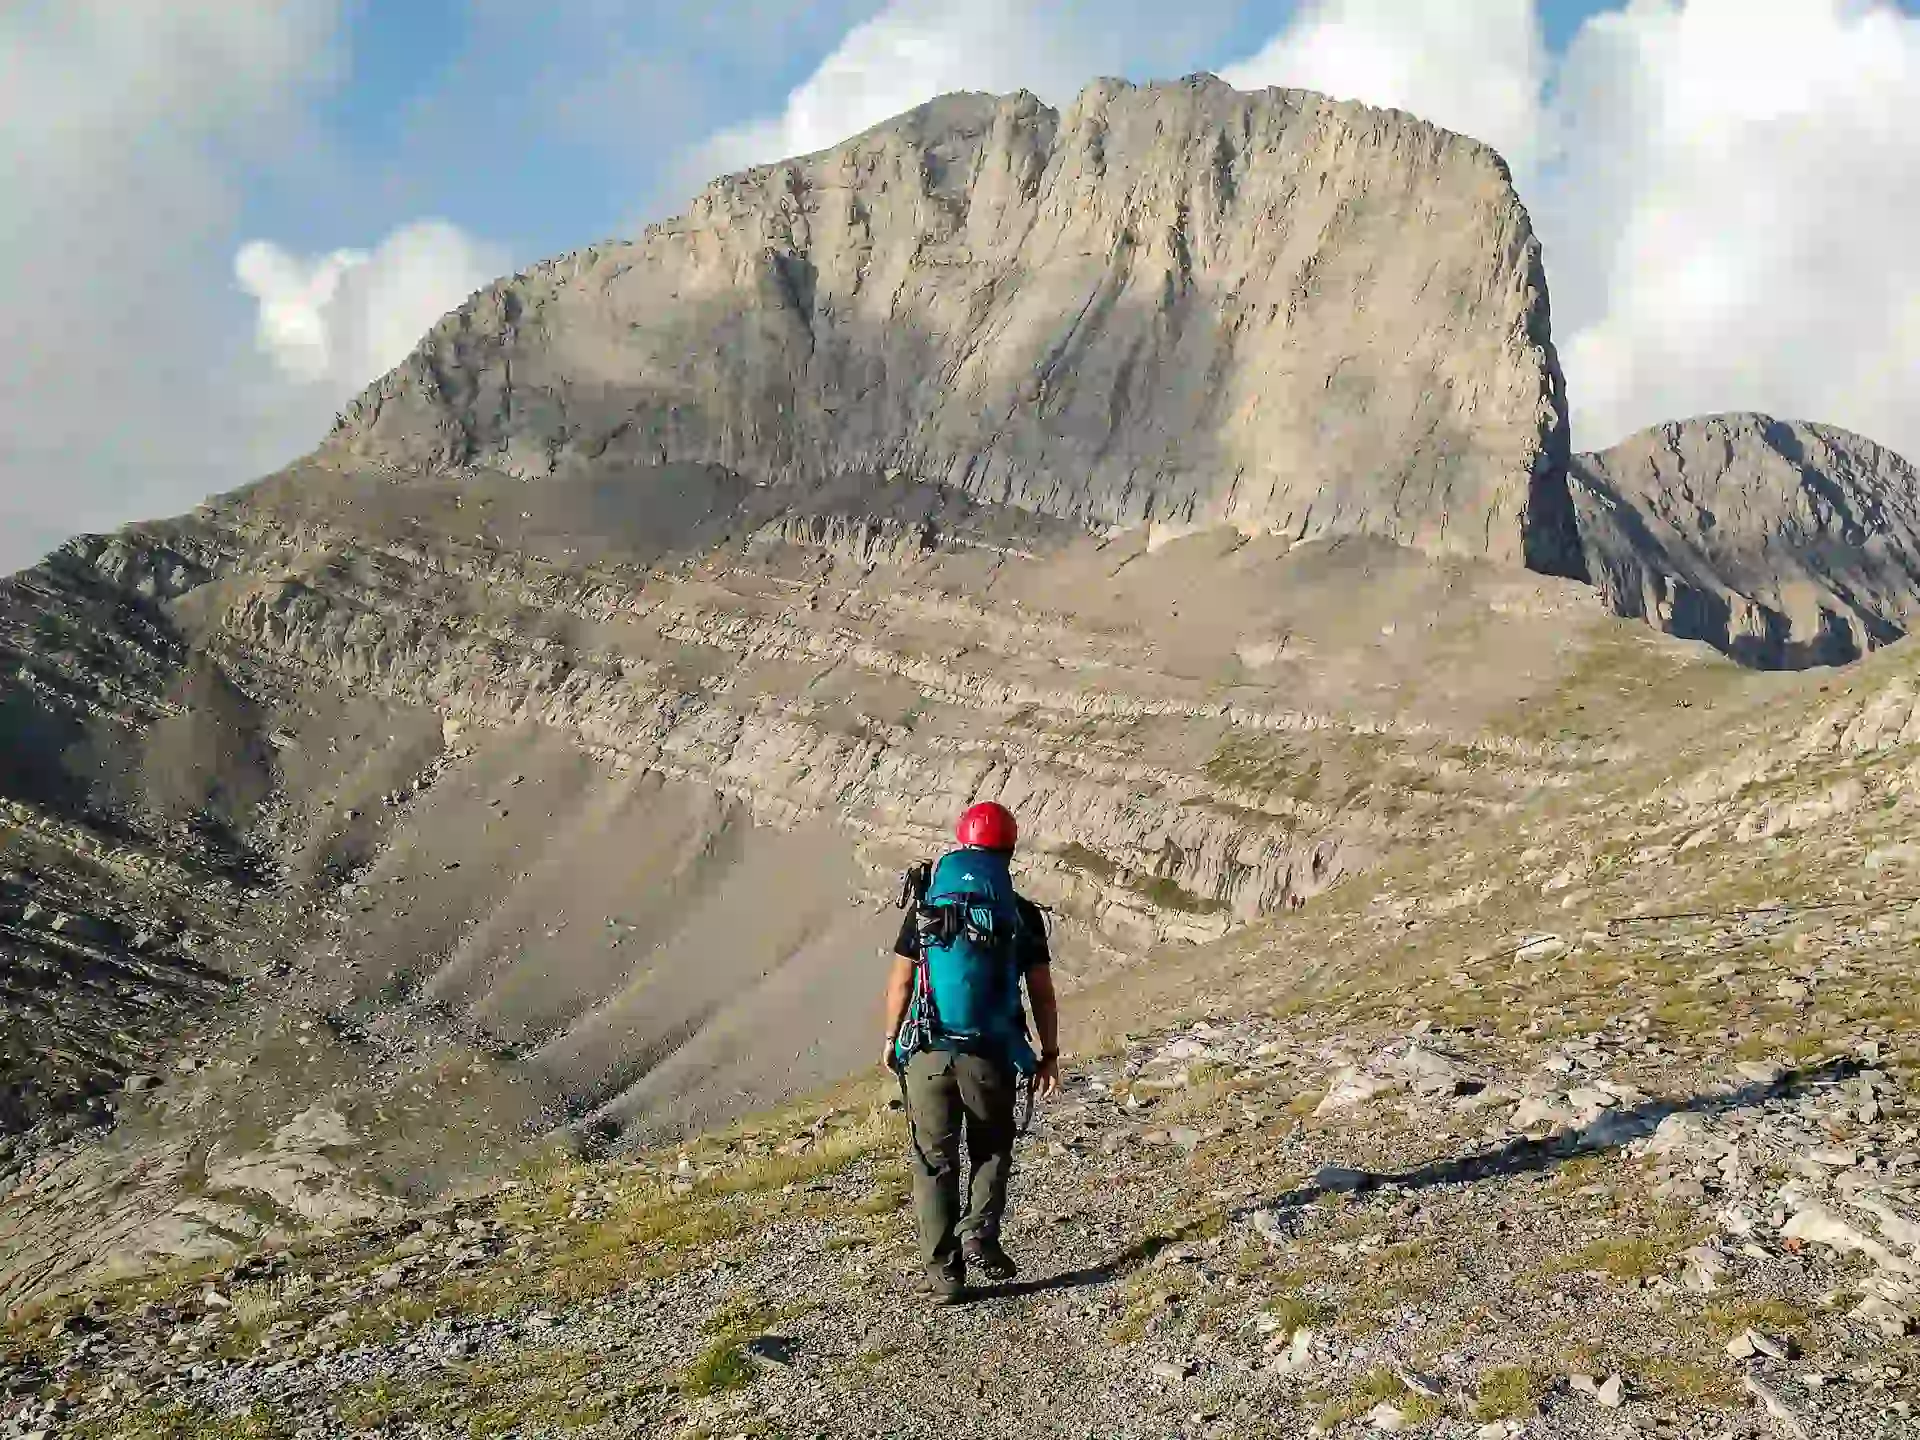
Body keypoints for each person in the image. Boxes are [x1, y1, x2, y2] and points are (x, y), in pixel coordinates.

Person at [882, 801, 1060, 1302]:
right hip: (991, 1053)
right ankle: (979, 1230)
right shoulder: (1020, 913)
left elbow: (901, 981)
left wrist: (892, 1039)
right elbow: (1041, 991)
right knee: (992, 1146)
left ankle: (943, 1275)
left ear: (961, 844)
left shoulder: (928, 906)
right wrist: (1048, 1053)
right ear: (1008, 851)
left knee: (933, 1161)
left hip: (928, 1049)